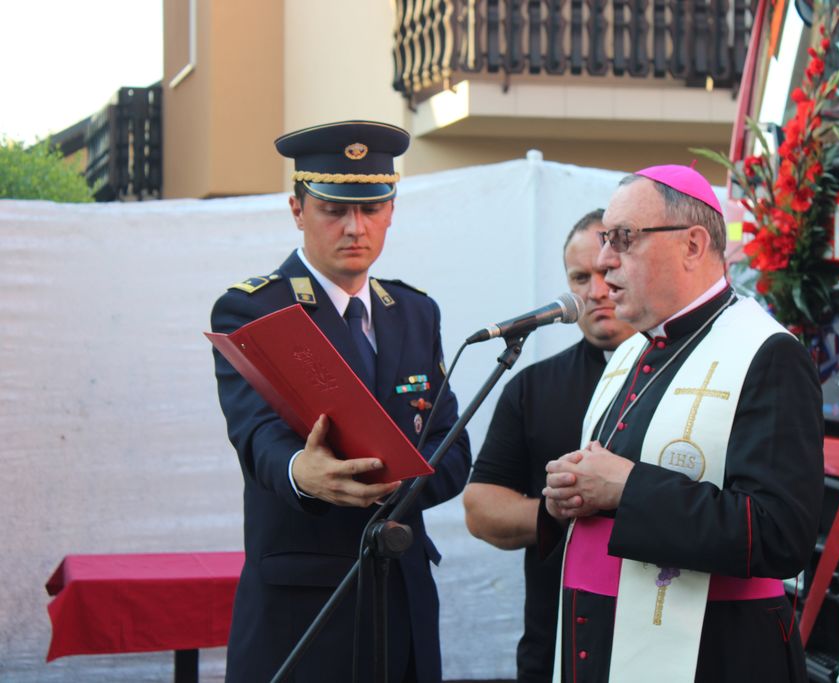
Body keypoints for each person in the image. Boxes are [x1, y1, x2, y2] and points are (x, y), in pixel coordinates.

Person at [210, 120, 471, 682]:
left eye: (372, 208)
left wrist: (400, 483)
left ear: (391, 210)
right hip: (306, 607)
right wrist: (302, 473)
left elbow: (451, 448)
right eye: (333, 209)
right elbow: (256, 433)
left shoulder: (414, 312)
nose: (356, 227)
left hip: (400, 594)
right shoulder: (255, 308)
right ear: (297, 209)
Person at [542, 165, 823, 682]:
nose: (604, 260)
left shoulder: (767, 353)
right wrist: (572, 495)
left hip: (715, 654)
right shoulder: (631, 352)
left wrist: (626, 488)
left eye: (624, 238)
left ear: (693, 245)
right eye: (606, 240)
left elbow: (781, 534)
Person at [463, 209, 635, 682]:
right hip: (556, 642)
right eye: (580, 277)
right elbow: (480, 508)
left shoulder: (691, 375)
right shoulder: (532, 386)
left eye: (607, 270)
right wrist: (555, 510)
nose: (595, 290)